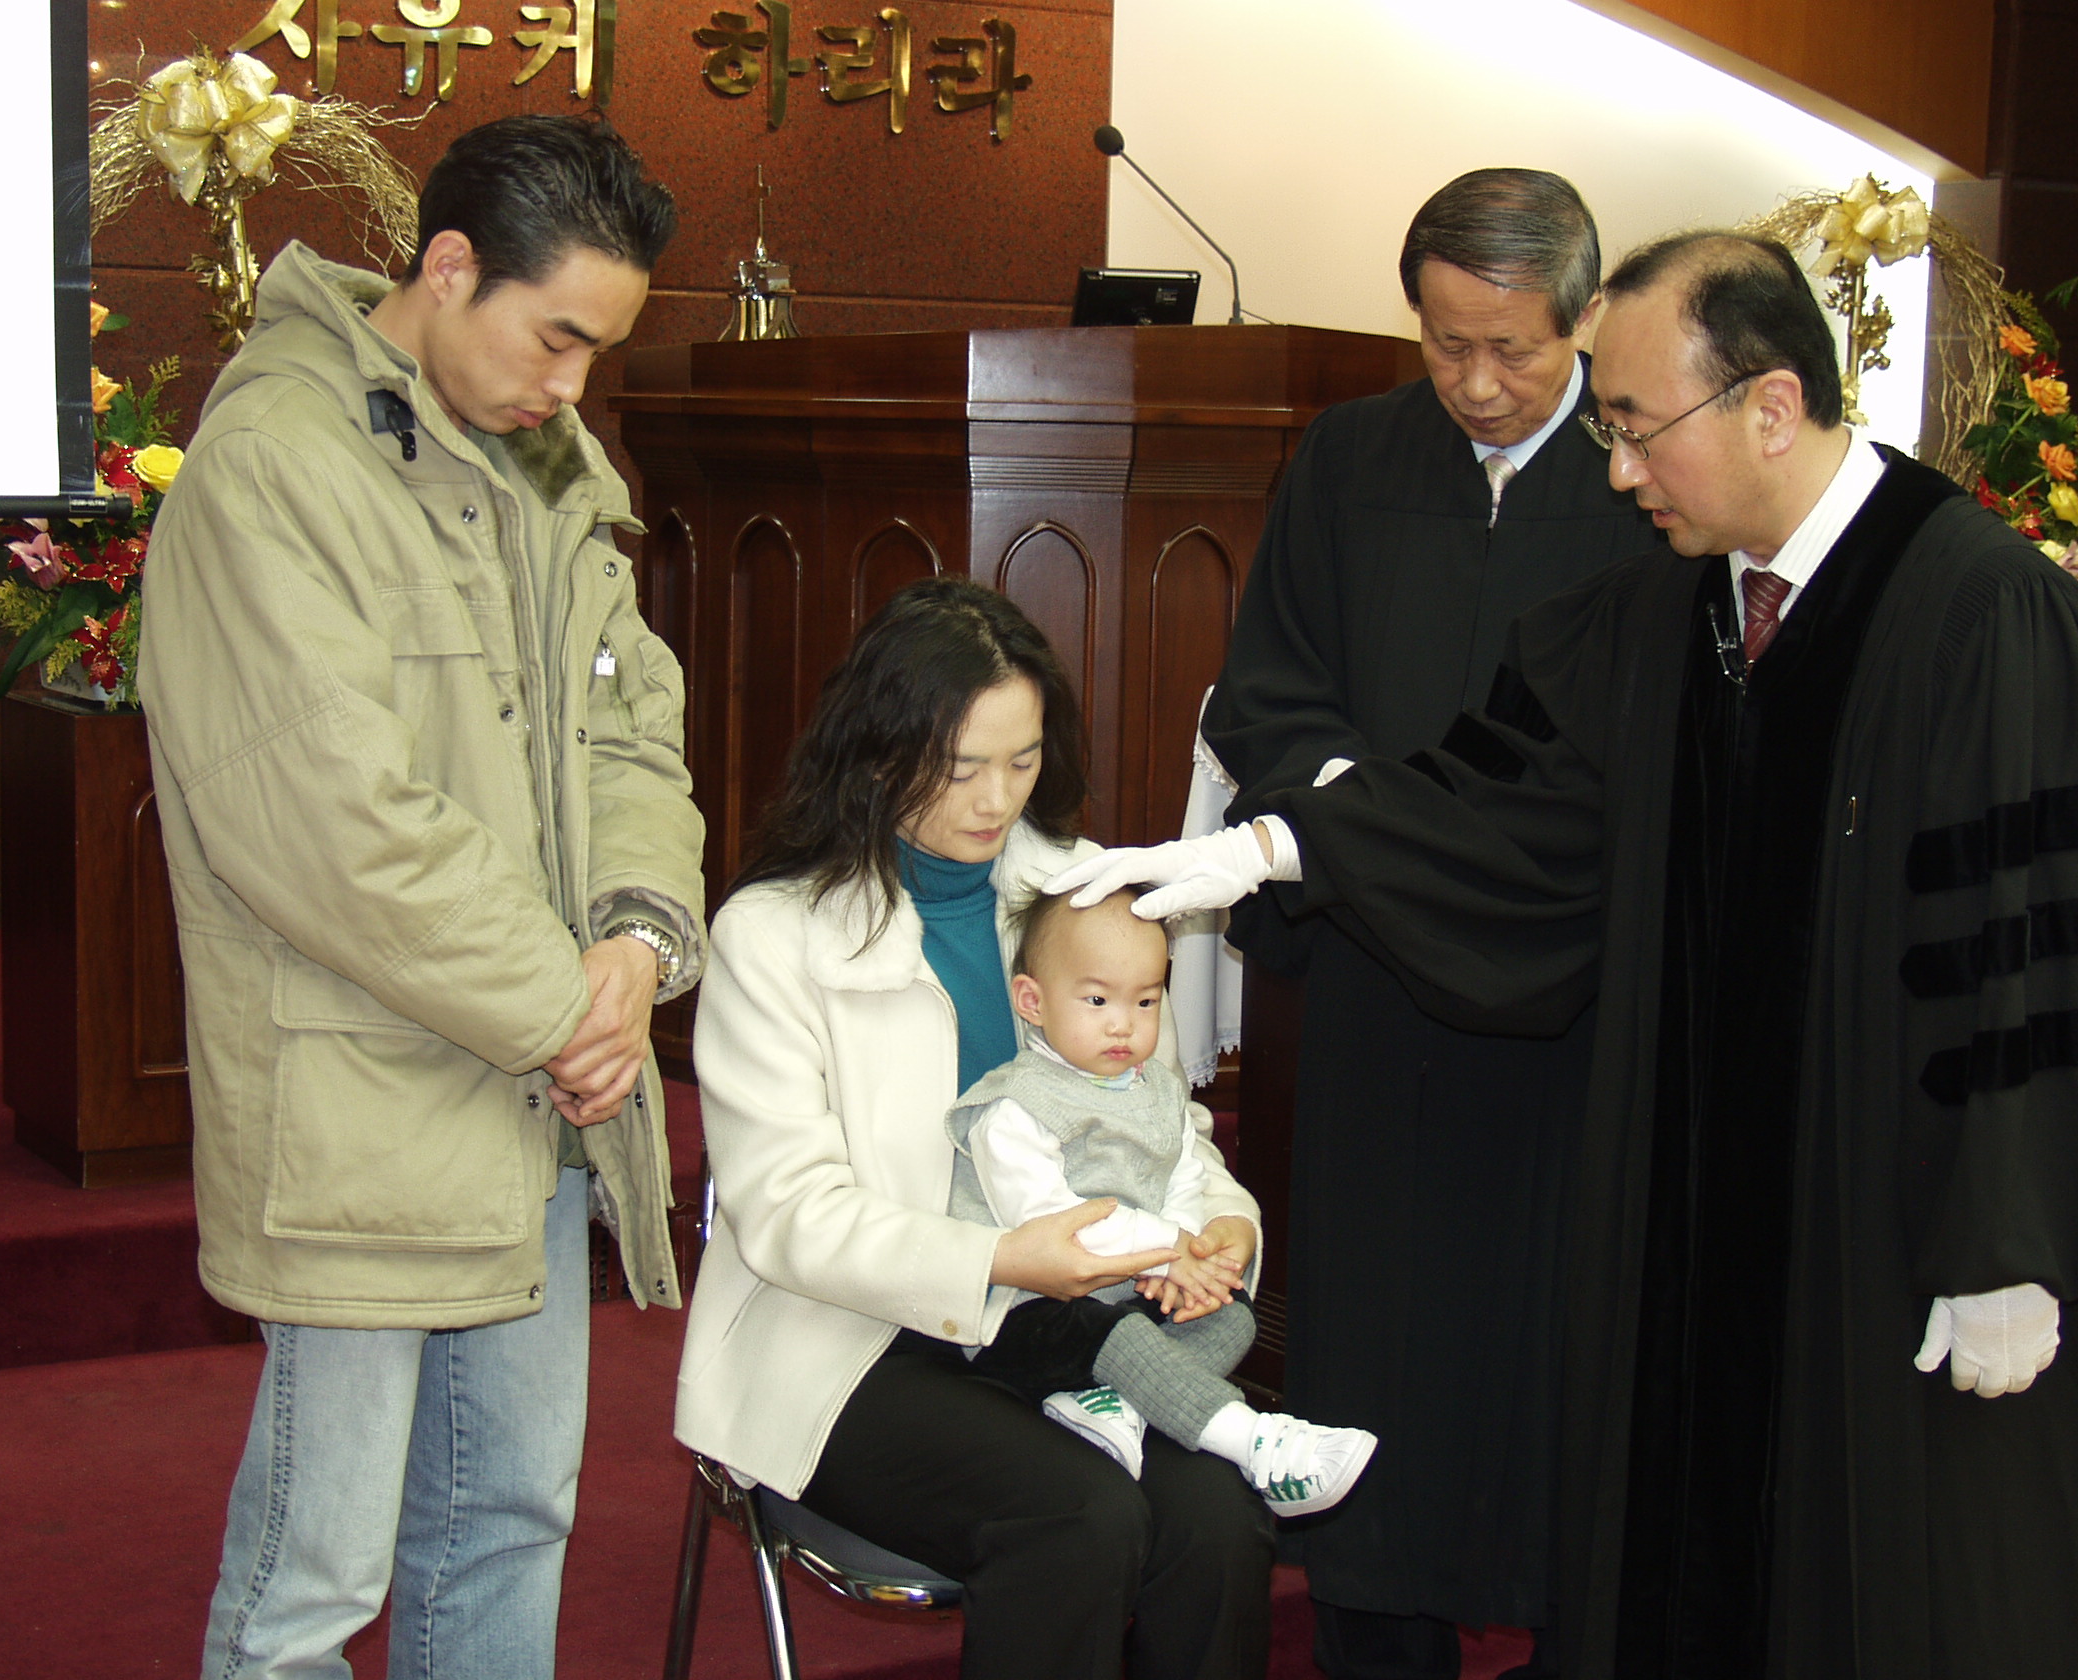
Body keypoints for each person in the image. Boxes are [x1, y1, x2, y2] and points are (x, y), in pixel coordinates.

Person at [1055, 230, 2078, 1680]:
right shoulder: (1671, 611)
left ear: (1772, 405)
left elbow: (2044, 957)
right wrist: (1275, 849)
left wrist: (2014, 1248)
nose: (1617, 474)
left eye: (1634, 429)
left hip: (1893, 1248)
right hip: (1695, 1235)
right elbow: (1508, 810)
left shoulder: (1983, 615)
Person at [139, 115, 705, 1680]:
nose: (572, 387)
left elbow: (630, 727)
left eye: (599, 352)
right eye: (556, 337)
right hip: (367, 1094)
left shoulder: (551, 470)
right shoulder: (277, 462)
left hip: (538, 1085)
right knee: (311, 1586)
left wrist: (635, 945)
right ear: (449, 268)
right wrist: (563, 1009)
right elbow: (331, 820)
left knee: (511, 1519)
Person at [1200, 166, 1653, 1680]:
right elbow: (1270, 681)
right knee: (1377, 1341)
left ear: (1581, 321)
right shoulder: (1351, 456)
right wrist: (1353, 815)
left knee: (1554, 1347)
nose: (1475, 381)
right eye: (1445, 342)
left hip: (1571, 992)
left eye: (1511, 348)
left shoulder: (1639, 472)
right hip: (1379, 979)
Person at [674, 577, 1275, 1680]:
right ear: (876, 750)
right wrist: (1000, 1260)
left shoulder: (1079, 892)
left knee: (1217, 1516)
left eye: (1023, 760)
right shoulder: (774, 935)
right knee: (1077, 1519)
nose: (996, 799)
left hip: (1073, 1322)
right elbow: (789, 1217)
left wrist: (1225, 1227)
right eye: (958, 768)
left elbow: (1166, 1126)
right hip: (848, 1337)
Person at [946, 888, 1378, 1512]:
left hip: (1133, 1290)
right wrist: (1167, 1249)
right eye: (1097, 1001)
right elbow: (1055, 1225)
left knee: (1229, 1314)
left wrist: (1186, 1254)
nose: (1123, 1023)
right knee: (1115, 1331)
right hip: (1028, 1311)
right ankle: (1256, 1442)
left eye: (1145, 1000)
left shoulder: (1156, 1091)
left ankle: (1113, 1403)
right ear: (1033, 1001)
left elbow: (1181, 1177)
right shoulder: (1013, 1107)